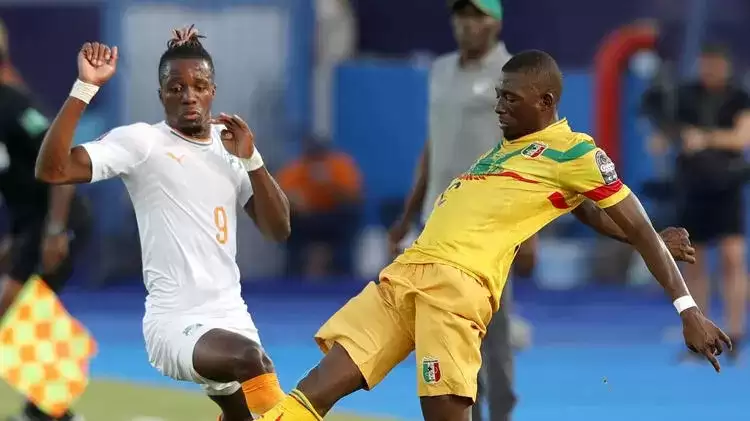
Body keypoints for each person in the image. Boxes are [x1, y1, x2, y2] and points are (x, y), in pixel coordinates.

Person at [251, 50, 731, 421]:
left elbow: (635, 224)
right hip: (404, 276)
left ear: (545, 102)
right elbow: (585, 210)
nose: (499, 106)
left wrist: (688, 311)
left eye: (511, 99)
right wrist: (644, 239)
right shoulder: (505, 149)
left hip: (455, 288)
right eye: (499, 96)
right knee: (313, 390)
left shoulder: (576, 152)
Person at [33, 27, 291, 421]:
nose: (188, 95)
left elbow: (278, 230)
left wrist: (252, 160)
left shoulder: (229, 146)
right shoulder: (143, 143)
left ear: (213, 91)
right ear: (161, 96)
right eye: (176, 88)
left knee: (245, 408)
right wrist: (85, 87)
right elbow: (53, 170)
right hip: (175, 323)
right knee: (252, 361)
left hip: (233, 318)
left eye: (199, 86)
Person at [386, 1, 520, 419]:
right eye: (461, 15)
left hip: (488, 222)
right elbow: (434, 145)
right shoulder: (441, 70)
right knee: (448, 326)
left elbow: (527, 151)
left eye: (477, 15)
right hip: (438, 218)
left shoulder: (513, 73)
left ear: (496, 21)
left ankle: (501, 409)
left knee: (492, 327)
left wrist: (530, 229)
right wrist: (408, 215)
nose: (467, 24)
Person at [0, 20, 90, 421]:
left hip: (58, 219)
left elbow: (62, 162)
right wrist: (17, 237)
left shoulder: (15, 105)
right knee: (22, 310)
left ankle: (52, 408)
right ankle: (49, 408)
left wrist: (55, 230)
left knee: (13, 305)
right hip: (31, 225)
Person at [671, 44, 750, 361]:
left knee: (733, 257)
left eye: (715, 64)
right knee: (694, 261)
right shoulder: (686, 96)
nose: (710, 70)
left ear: (726, 66)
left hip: (727, 187)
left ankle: (736, 332)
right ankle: (699, 336)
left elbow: (741, 138)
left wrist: (705, 139)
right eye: (705, 64)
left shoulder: (739, 98)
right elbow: (671, 133)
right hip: (694, 187)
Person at [278, 136, 361, 277]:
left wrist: (329, 185)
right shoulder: (296, 169)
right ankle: (292, 275)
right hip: (305, 218)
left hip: (334, 217)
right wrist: (293, 202)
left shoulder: (340, 166)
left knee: (347, 220)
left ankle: (344, 275)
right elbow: (280, 196)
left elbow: (354, 197)